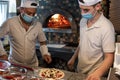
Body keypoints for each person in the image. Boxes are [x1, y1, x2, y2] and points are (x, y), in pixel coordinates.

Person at [67, 0, 115, 80]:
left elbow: (109, 57)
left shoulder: (106, 27)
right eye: (81, 9)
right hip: (80, 71)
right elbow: (82, 43)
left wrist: (98, 73)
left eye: (86, 10)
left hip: (94, 74)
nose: (82, 13)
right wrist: (73, 58)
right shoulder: (83, 21)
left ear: (97, 7)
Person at [0, 0, 52, 67]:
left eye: (33, 14)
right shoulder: (10, 23)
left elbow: (42, 41)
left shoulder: (37, 25)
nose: (31, 16)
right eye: (29, 13)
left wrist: (45, 53)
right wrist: (2, 53)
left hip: (33, 65)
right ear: (22, 9)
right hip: (15, 64)